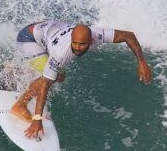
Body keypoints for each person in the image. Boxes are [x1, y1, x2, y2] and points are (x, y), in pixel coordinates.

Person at [11, 21, 152, 139]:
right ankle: (19, 106)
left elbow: (128, 36)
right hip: (28, 38)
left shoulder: (97, 34)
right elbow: (45, 85)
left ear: (91, 41)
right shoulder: (61, 54)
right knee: (55, 77)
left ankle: (22, 68)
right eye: (75, 43)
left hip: (45, 31)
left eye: (82, 44)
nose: (78, 48)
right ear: (72, 39)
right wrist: (37, 119)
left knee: (57, 74)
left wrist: (142, 62)